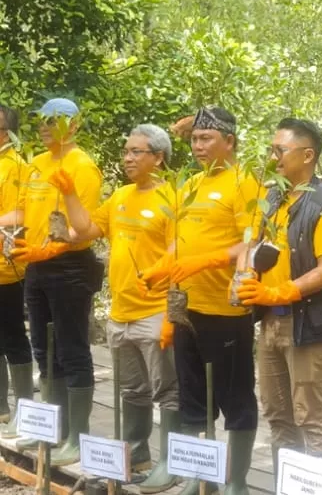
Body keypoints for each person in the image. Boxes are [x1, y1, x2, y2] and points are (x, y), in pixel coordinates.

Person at [49, 124, 179, 493]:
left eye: (137, 152)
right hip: (120, 313)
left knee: (168, 391)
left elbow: (177, 259)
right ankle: (137, 457)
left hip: (155, 312)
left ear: (159, 157)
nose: (128, 158)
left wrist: (171, 316)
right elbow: (84, 230)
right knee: (132, 391)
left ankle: (171, 464)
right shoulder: (121, 195)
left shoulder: (172, 198)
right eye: (126, 151)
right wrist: (70, 193)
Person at [139, 106, 259, 495]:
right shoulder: (189, 185)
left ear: (230, 141)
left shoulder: (245, 183)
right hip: (187, 308)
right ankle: (198, 474)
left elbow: (251, 241)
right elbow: (179, 239)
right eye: (194, 139)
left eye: (206, 139)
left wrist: (208, 260)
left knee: (235, 398)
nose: (198, 146)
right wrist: (161, 267)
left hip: (226, 310)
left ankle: (236, 480)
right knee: (192, 397)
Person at [236, 118, 322, 475]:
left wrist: (280, 290)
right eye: (272, 149)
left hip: (310, 326)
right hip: (271, 322)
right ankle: (287, 485)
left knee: (309, 415)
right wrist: (246, 278)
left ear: (307, 155)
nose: (273, 157)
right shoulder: (272, 198)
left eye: (280, 150)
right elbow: (251, 245)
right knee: (276, 412)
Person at [1, 98, 103, 464]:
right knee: (43, 347)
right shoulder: (37, 164)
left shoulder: (82, 166)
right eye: (40, 120)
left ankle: (77, 436)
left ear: (73, 125)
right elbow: (23, 211)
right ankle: (52, 430)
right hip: (36, 267)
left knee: (71, 348)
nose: (44, 126)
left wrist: (52, 250)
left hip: (70, 267)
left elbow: (84, 227)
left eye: (53, 121)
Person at [0, 104, 34, 437]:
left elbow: (16, 218)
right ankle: (1, 409)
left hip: (6, 269)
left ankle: (24, 411)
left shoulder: (14, 168)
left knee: (13, 337)